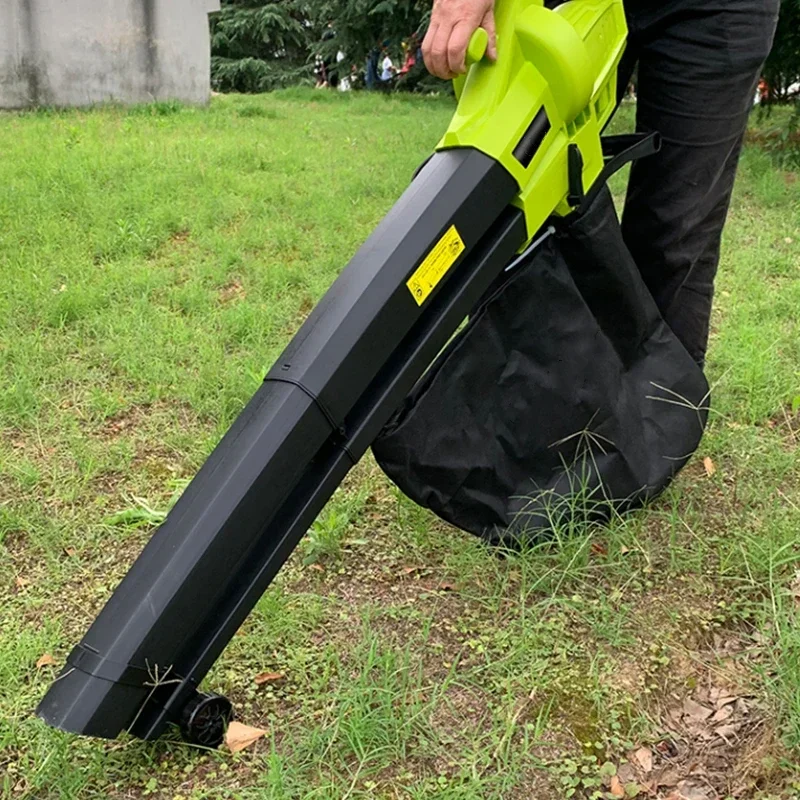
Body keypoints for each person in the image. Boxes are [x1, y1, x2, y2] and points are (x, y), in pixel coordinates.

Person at [422, 0, 779, 367]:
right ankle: (510, 396)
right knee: (511, 202)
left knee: (675, 237)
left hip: (713, 11)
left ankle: (660, 400)